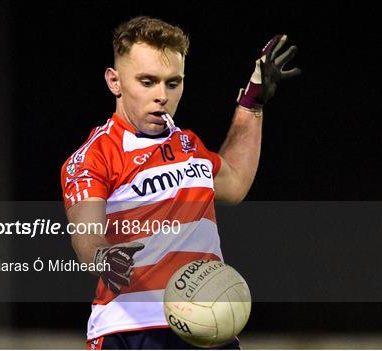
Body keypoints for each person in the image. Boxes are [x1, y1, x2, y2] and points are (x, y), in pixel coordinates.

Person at [60, 16, 300, 350]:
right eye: (147, 82)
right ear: (115, 82)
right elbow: (85, 231)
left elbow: (234, 184)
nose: (162, 95)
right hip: (133, 329)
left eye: (172, 83)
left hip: (207, 325)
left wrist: (252, 104)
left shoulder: (188, 145)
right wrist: (103, 257)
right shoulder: (95, 155)